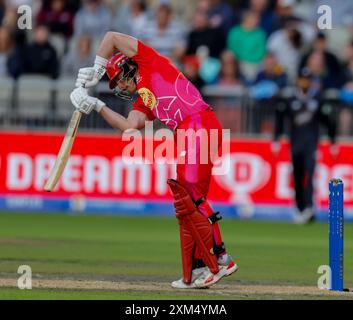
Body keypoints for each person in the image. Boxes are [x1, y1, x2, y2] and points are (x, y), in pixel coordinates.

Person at [69, 31, 238, 288]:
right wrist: (96, 105)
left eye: (118, 81)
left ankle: (222, 259)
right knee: (189, 200)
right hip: (190, 130)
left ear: (127, 69)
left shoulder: (150, 61)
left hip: (198, 124)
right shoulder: (144, 100)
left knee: (191, 197)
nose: (121, 88)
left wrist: (96, 69)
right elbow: (129, 127)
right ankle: (199, 267)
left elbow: (111, 37)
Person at [272, 68, 337, 224]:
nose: (305, 82)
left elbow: (328, 120)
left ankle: (309, 206)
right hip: (295, 144)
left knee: (309, 173)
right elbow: (280, 119)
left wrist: (332, 140)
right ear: (298, 80)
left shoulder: (318, 98)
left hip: (311, 144)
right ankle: (299, 207)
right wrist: (276, 139)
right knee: (298, 175)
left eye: (307, 79)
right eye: (302, 79)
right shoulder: (291, 98)